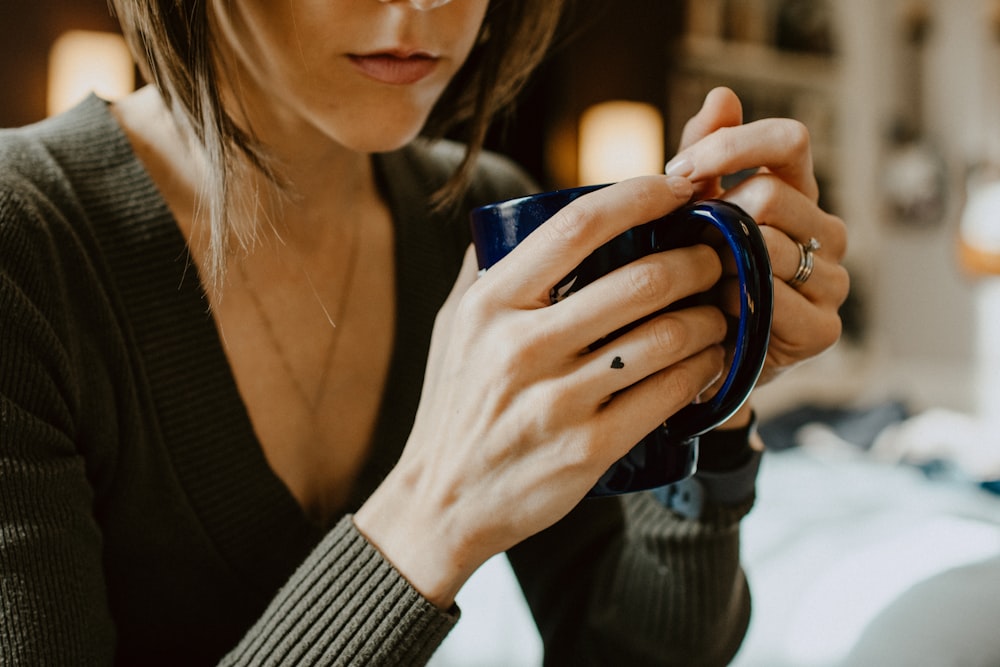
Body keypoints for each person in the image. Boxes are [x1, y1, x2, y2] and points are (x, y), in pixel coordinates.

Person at [0, 0, 849, 665]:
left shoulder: (482, 226)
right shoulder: (27, 248)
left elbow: (630, 650)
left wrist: (711, 391)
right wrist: (431, 517)